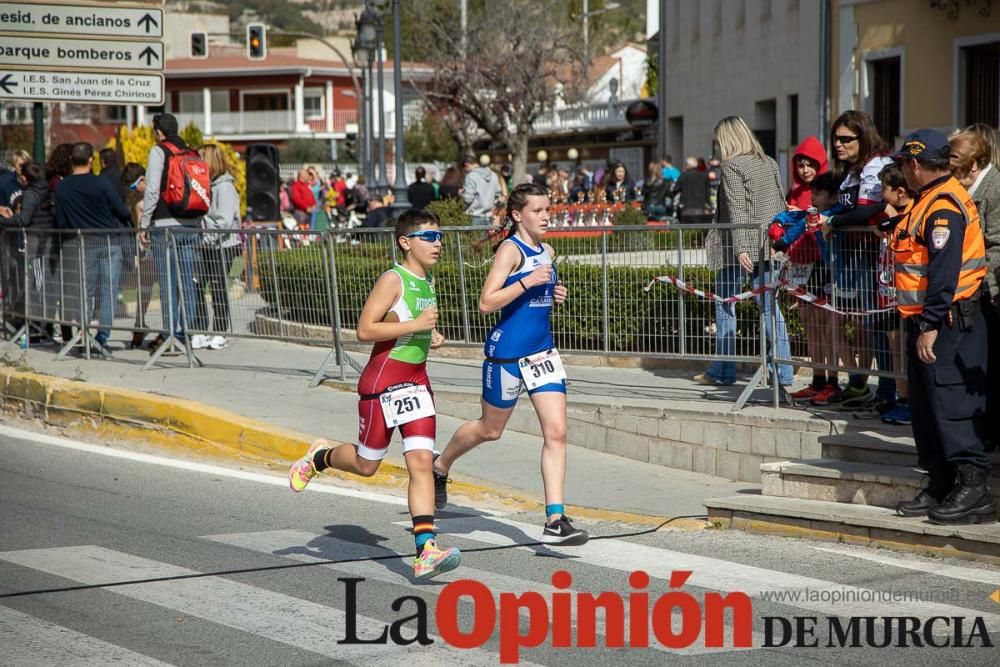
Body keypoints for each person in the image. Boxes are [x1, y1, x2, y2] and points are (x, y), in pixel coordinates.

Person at [286, 209, 462, 578]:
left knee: (420, 463)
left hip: (416, 382)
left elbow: (408, 327)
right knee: (367, 465)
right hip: (382, 383)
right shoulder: (393, 279)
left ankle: (425, 549)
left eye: (440, 236)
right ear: (405, 242)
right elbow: (365, 330)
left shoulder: (426, 281)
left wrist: (429, 335)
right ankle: (320, 457)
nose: (438, 243)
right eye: (429, 237)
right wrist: (417, 325)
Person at [431, 182, 588, 546]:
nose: (547, 216)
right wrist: (528, 281)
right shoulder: (509, 250)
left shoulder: (546, 249)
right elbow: (487, 302)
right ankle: (440, 466)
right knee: (490, 430)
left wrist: (554, 292)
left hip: (542, 353)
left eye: (549, 209)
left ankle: (555, 518)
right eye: (538, 211)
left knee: (557, 431)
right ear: (518, 215)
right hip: (507, 355)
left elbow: (540, 292)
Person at [889, 130, 993, 525]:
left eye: (903, 164)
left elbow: (944, 271)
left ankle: (973, 488)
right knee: (926, 406)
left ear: (915, 164)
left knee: (953, 406)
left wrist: (930, 323)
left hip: (948, 321)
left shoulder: (943, 205)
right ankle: (941, 482)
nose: (902, 170)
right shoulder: (927, 200)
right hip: (930, 320)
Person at [695, 116, 793, 388]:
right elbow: (779, 203)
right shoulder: (769, 162)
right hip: (769, 243)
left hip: (736, 247)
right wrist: (779, 242)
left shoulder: (732, 165)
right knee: (769, 307)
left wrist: (740, 248)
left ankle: (723, 370)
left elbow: (737, 208)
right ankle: (783, 371)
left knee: (725, 303)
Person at [818, 110, 894, 410]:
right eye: (835, 139)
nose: (838, 144)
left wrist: (833, 222)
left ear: (863, 137)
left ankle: (890, 391)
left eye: (846, 139)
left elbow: (868, 211)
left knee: (879, 324)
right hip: (852, 257)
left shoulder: (876, 165)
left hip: (873, 257)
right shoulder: (851, 171)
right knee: (863, 323)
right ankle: (867, 386)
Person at [55, 143, 131, 358]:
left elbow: (61, 221)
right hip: (109, 241)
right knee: (108, 291)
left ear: (71, 161)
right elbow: (122, 210)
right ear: (91, 160)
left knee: (85, 291)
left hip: (83, 242)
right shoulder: (101, 183)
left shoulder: (63, 187)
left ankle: (84, 335)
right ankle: (102, 338)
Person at [950, 129, 999, 451]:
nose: (953, 176)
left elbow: (996, 243)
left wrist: (976, 276)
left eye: (958, 168)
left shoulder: (994, 190)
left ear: (975, 165)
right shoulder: (961, 189)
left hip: (988, 291)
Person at [139, 113, 204, 354]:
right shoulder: (192, 153)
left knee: (168, 282)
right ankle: (188, 334)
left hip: (165, 225)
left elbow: (153, 191)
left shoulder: (159, 151)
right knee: (187, 280)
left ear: (158, 132)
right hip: (191, 224)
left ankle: (170, 335)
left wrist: (144, 224)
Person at [783, 136, 831, 403]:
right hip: (800, 263)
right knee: (809, 325)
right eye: (800, 164)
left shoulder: (825, 189)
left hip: (820, 262)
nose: (805, 170)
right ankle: (817, 378)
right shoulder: (795, 190)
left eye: (810, 164)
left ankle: (831, 379)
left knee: (825, 324)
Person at [874, 162, 916, 426]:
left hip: (907, 294)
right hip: (886, 293)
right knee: (894, 347)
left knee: (905, 348)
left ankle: (911, 400)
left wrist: (890, 219)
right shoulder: (887, 213)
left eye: (883, 188)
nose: (880, 193)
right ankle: (901, 398)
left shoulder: (912, 213)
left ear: (900, 192)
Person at [192, 143, 242, 351]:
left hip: (222, 245)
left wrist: (208, 235)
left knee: (218, 287)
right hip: (206, 245)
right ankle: (201, 329)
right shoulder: (205, 186)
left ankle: (220, 331)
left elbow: (225, 221)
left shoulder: (225, 187)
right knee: (197, 285)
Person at [120, 162, 157, 349]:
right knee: (144, 289)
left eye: (134, 186)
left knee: (148, 288)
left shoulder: (147, 197)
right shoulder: (138, 200)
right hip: (146, 247)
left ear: (143, 179)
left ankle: (140, 326)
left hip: (151, 245)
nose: (133, 190)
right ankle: (139, 324)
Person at [462, 155, 501, 226]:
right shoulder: (494, 175)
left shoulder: (471, 176)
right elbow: (498, 196)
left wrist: (461, 194)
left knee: (473, 237)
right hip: (488, 216)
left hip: (473, 215)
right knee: (486, 237)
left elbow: (468, 199)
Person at [675, 156, 711, 223]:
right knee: (700, 231)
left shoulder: (683, 175)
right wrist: (708, 205)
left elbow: (676, 189)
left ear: (687, 165)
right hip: (700, 207)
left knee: (687, 230)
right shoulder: (704, 175)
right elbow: (708, 192)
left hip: (686, 207)